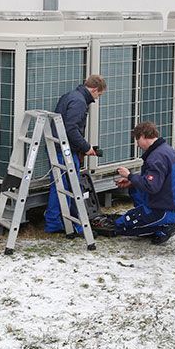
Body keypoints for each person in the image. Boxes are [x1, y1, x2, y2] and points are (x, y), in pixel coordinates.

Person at [43, 74, 107, 234]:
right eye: (98, 94)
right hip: (64, 151)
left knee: (59, 186)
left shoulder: (71, 96)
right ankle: (68, 223)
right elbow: (71, 129)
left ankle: (55, 222)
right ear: (93, 89)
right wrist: (86, 148)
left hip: (59, 147)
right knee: (68, 187)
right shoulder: (79, 102)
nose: (97, 98)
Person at [113, 121, 175, 245]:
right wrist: (131, 181)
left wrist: (129, 175)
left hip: (164, 210)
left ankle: (163, 228)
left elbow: (151, 186)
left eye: (137, 140)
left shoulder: (156, 157)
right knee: (135, 189)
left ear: (142, 136)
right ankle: (161, 226)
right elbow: (157, 181)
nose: (137, 145)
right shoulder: (166, 150)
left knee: (121, 226)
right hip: (174, 205)